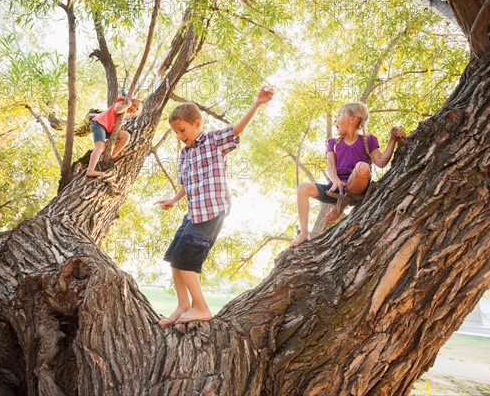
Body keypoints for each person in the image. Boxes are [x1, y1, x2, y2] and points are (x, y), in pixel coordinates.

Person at [155, 86, 275, 326]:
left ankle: (202, 308)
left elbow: (237, 129)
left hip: (211, 213)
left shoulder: (212, 141)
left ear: (197, 124)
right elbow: (186, 184)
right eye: (176, 132)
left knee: (186, 262)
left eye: (182, 130)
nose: (180, 136)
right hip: (193, 214)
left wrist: (258, 103)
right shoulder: (185, 154)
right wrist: (174, 200)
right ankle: (183, 305)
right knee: (173, 260)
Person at [291, 102, 406, 247]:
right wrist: (336, 180)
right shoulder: (332, 143)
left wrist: (392, 139)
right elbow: (331, 167)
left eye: (339, 116)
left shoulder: (368, 140)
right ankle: (303, 234)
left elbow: (381, 162)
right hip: (337, 190)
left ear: (352, 119)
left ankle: (341, 206)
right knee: (303, 188)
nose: (335, 121)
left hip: (359, 188)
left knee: (362, 167)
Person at [86, 97, 143, 177]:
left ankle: (112, 156)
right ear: (129, 102)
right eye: (134, 105)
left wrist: (122, 122)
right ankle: (90, 170)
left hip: (107, 129)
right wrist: (128, 104)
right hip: (99, 124)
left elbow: (114, 129)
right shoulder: (121, 103)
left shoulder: (124, 118)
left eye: (137, 109)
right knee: (100, 147)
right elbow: (117, 110)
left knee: (126, 135)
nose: (134, 109)